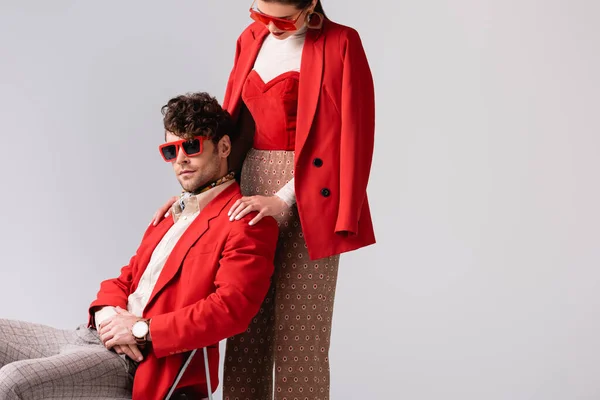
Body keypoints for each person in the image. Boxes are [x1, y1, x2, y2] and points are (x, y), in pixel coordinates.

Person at [152, 1, 376, 398]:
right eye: (261, 12)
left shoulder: (342, 43)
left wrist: (285, 199)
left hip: (311, 198)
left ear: (310, 5)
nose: (269, 27)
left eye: (282, 18)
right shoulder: (249, 37)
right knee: (244, 329)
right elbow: (227, 134)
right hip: (248, 184)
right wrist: (194, 200)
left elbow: (352, 139)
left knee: (300, 338)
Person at [0, 92, 279, 400]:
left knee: (13, 381)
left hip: (137, 362)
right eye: (171, 150)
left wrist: (141, 331)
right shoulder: (171, 214)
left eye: (191, 146)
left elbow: (231, 309)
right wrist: (107, 316)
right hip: (94, 336)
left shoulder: (243, 221)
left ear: (223, 147)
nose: (181, 159)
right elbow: (126, 278)